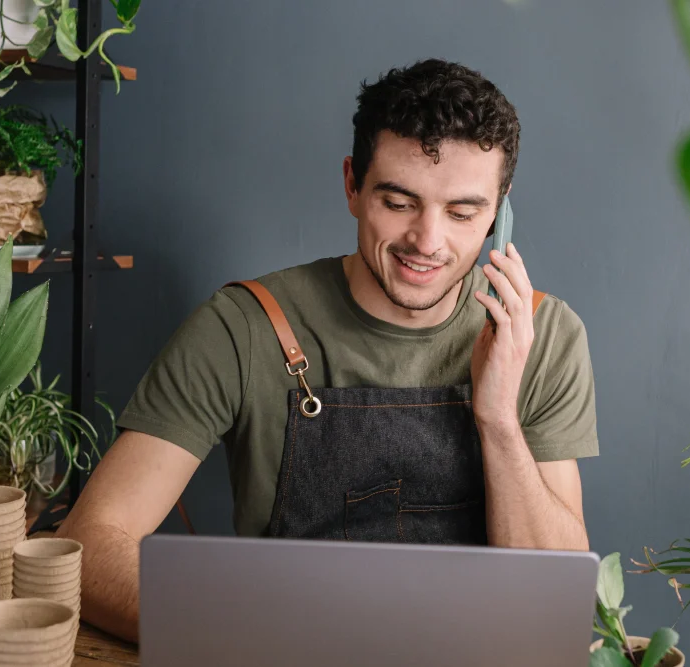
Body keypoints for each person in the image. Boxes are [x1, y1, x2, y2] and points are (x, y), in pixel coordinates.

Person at [56, 58, 599, 642]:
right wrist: (261, 641)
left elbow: (554, 596)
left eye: (464, 212)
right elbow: (88, 546)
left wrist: (496, 419)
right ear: (352, 185)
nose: (428, 241)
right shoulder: (242, 327)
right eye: (398, 203)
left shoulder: (543, 334)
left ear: (500, 211)